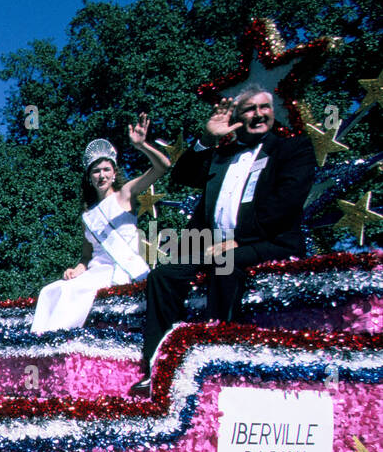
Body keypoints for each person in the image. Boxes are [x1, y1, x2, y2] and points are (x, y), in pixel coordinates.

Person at [132, 89, 316, 395]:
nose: (258, 114)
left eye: (264, 107)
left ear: (273, 112)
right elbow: (183, 175)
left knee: (224, 262)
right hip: (211, 243)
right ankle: (158, 367)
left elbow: (287, 203)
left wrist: (240, 241)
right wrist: (206, 139)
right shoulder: (224, 153)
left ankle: (217, 364)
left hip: (267, 242)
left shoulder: (293, 149)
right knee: (164, 275)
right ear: (237, 118)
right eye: (249, 109)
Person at [31, 115, 172, 334]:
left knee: (72, 293)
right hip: (95, 272)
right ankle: (42, 346)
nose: (101, 175)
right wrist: (75, 269)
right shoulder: (88, 216)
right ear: (89, 177)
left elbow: (163, 166)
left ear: (115, 174)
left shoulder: (125, 195)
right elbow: (86, 257)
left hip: (121, 271)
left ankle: (58, 341)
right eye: (96, 171)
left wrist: (142, 145)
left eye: (106, 169)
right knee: (51, 290)